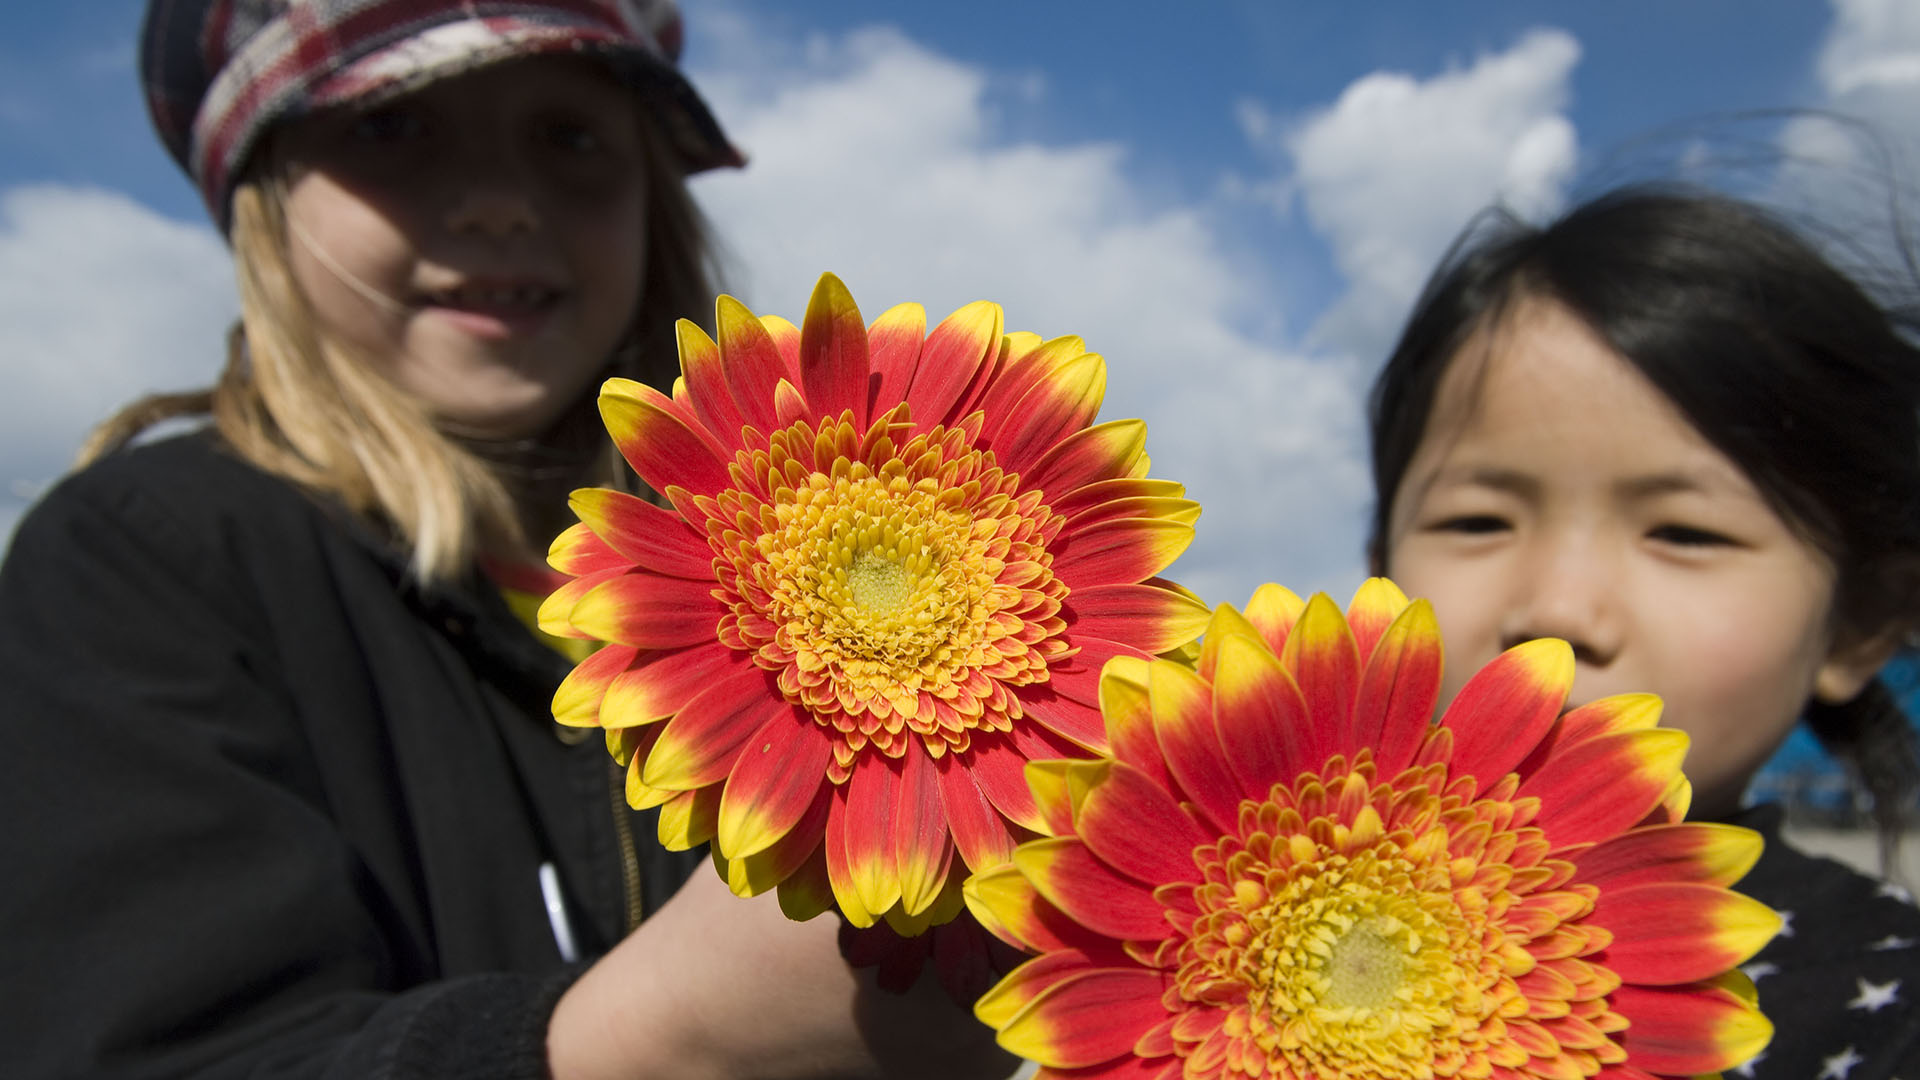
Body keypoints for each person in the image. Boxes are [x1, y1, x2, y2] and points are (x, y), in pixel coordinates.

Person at [0, 2, 1016, 1078]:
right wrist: (662, 1042)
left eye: (569, 136)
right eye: (389, 128)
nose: (496, 203)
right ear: (262, 197)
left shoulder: (809, 527)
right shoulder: (140, 563)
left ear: (654, 201)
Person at [1367, 186, 1920, 1077]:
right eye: (1477, 520)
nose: (1555, 613)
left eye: (1684, 532)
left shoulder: (1892, 1016)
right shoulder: (1168, 919)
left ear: (1859, 625)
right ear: (1379, 576)